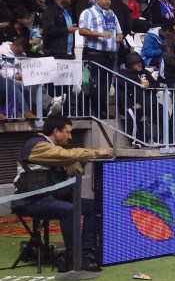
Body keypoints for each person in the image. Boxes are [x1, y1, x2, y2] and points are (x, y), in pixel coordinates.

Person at [12, 114, 113, 271]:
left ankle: (87, 253)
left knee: (92, 206)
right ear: (56, 131)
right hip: (30, 200)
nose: (70, 136)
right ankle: (74, 258)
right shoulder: (37, 146)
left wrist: (83, 161)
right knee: (69, 210)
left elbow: (70, 170)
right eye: (68, 132)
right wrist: (94, 152)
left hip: (50, 197)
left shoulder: (52, 150)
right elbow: (65, 156)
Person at [79, 0, 124, 118]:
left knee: (105, 84)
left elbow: (119, 31)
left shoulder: (112, 14)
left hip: (108, 54)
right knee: (89, 83)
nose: (108, 1)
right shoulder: (88, 12)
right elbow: (82, 31)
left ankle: (101, 111)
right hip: (92, 53)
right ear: (97, 0)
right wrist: (100, 34)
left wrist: (119, 37)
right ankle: (86, 111)